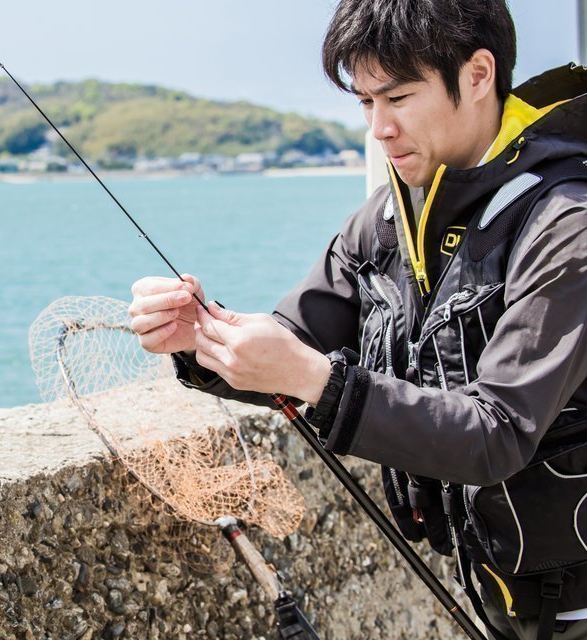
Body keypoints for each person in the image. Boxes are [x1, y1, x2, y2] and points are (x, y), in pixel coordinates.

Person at [128, 1, 587, 638]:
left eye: (398, 97)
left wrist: (316, 379)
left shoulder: (566, 224)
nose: (380, 128)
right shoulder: (387, 218)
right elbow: (293, 341)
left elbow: (497, 434)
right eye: (366, 102)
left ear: (479, 74)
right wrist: (201, 336)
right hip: (497, 590)